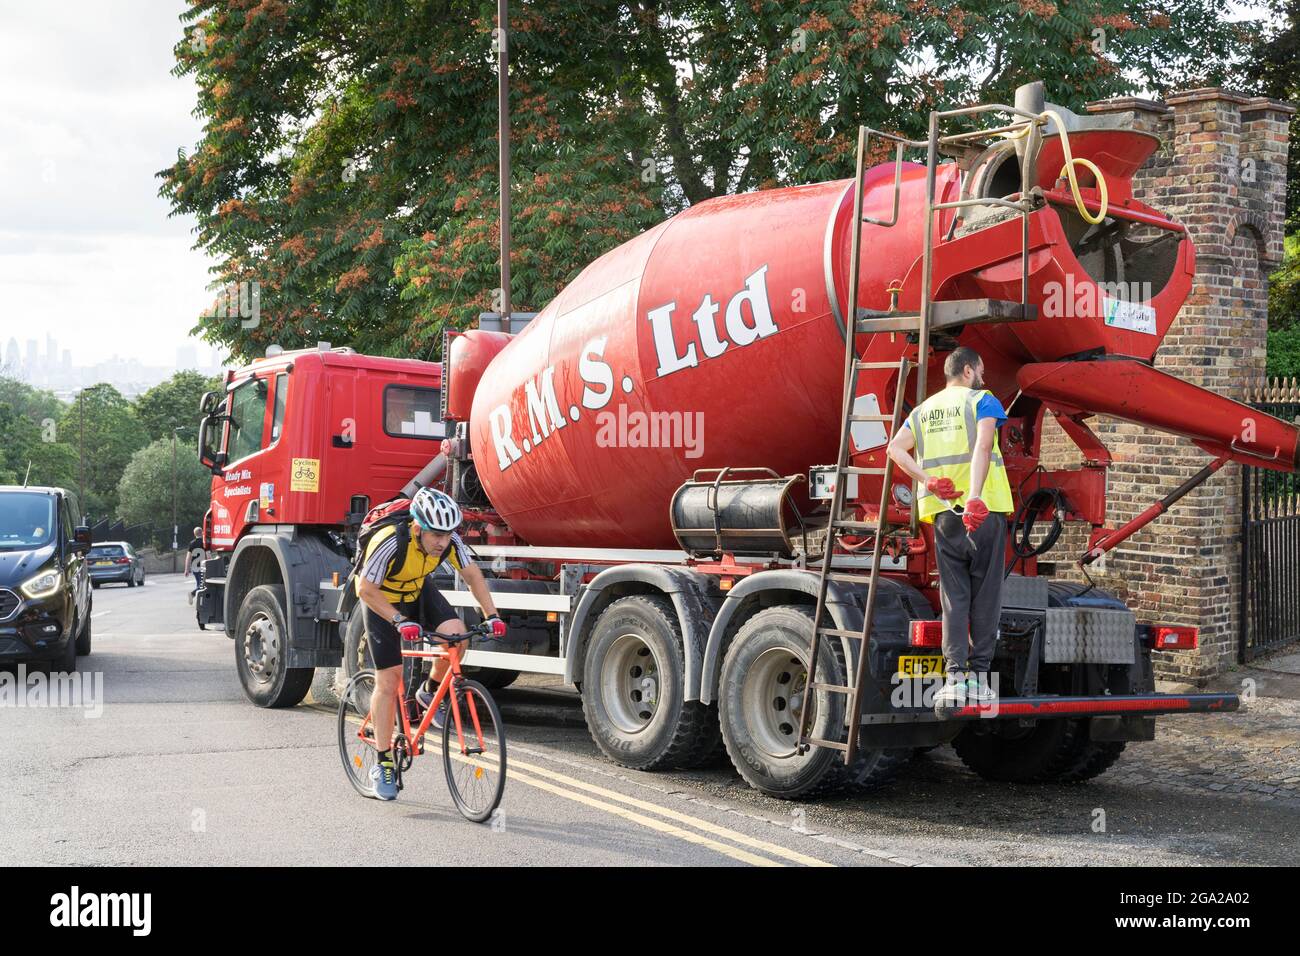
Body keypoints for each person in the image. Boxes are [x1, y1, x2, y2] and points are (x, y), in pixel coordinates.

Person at [353, 487, 506, 801]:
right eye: (436, 535)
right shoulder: (391, 542)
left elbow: (473, 575)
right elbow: (365, 588)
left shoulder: (449, 543)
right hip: (381, 601)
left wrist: (491, 615)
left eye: (447, 535)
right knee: (390, 678)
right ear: (418, 527)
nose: (442, 542)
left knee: (456, 636)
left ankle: (428, 692)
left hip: (416, 591)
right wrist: (398, 620)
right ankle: (383, 763)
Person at [887, 346, 1014, 712]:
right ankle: (977, 677)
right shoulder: (982, 400)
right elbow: (984, 445)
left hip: (944, 516)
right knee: (985, 596)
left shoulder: (922, 412)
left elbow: (895, 450)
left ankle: (955, 677)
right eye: (982, 370)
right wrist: (975, 496)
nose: (985, 377)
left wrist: (927, 481)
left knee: (954, 598)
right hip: (982, 512)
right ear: (969, 371)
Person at [184, 528, 205, 606]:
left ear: (194, 534)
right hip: (202, 566)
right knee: (202, 584)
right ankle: (193, 594)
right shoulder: (204, 543)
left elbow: (188, 557)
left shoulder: (192, 543)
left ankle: (198, 601)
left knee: (199, 583)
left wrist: (186, 569)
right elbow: (208, 555)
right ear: (202, 533)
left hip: (194, 566)